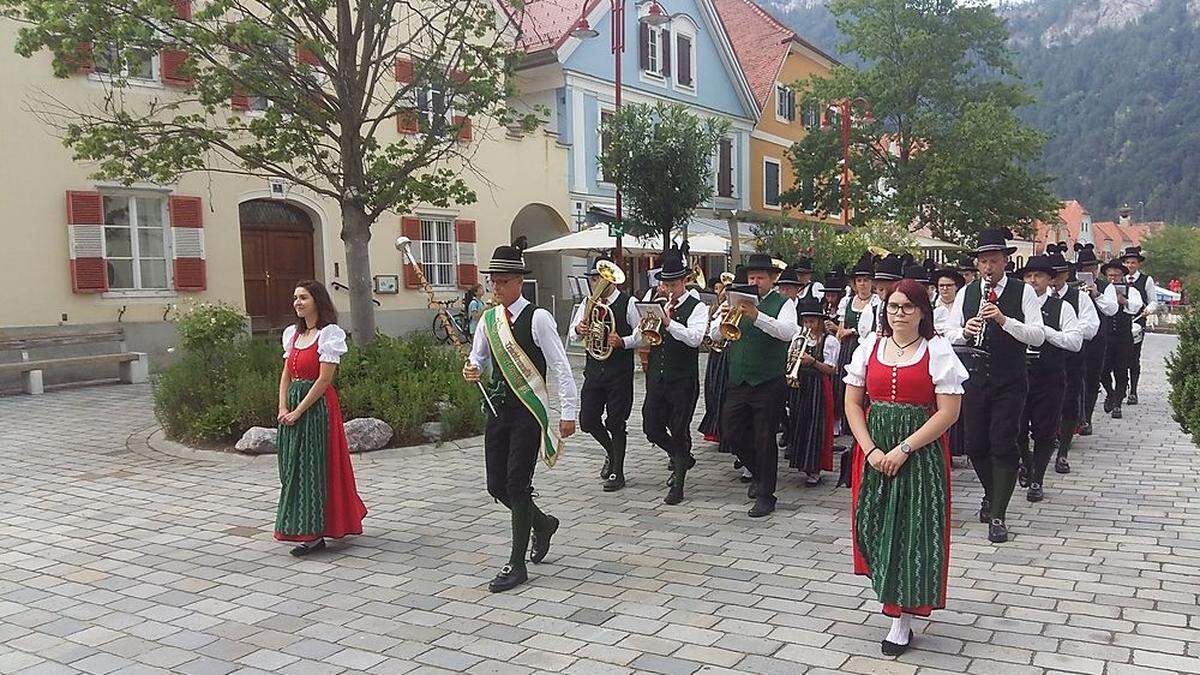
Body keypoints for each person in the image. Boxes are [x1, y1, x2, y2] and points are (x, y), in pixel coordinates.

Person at [845, 279, 967, 656]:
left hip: (919, 454)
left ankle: (901, 619)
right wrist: (870, 450)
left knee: (910, 532)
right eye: (893, 307)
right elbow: (852, 403)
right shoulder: (871, 346)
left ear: (922, 312)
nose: (899, 313)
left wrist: (903, 448)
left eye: (907, 307)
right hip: (873, 450)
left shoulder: (938, 350)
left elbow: (949, 411)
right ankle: (891, 598)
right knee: (874, 526)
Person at [464, 244, 579, 593]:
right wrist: (472, 369)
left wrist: (568, 412)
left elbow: (560, 365)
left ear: (518, 282)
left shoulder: (539, 318)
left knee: (516, 484)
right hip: (499, 411)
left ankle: (516, 564)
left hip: (528, 412)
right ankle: (542, 523)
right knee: (496, 485)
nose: (495, 288)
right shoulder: (488, 320)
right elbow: (479, 359)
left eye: (502, 282)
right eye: (492, 282)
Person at [945, 228, 1045, 544]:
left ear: (1005, 261)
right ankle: (992, 493)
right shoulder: (967, 293)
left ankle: (998, 514)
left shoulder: (1022, 291)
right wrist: (964, 330)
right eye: (983, 262)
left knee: (1003, 443)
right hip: (974, 380)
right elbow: (946, 333)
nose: (987, 267)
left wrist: (1004, 321)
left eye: (993, 260)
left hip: (1010, 380)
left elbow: (1038, 335)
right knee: (975, 445)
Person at [276, 281, 367, 556]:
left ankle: (314, 534)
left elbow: (324, 379)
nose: (297, 303)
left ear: (317, 301)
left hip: (317, 410)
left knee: (314, 469)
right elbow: (286, 374)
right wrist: (282, 406)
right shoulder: (293, 334)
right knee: (293, 467)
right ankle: (302, 525)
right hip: (293, 405)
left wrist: (299, 410)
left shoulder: (330, 334)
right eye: (295, 298)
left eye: (303, 297)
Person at [712, 253, 799, 517]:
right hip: (739, 379)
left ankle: (765, 495)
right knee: (732, 432)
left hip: (768, 381)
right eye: (751, 277)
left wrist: (757, 316)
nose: (755, 281)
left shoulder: (783, 303)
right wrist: (722, 317)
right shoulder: (735, 299)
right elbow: (715, 335)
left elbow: (788, 332)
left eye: (760, 277)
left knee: (764, 438)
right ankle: (760, 474)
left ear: (772, 279)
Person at [640, 249, 708, 504]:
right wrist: (638, 331)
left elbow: (695, 339)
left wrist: (669, 323)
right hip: (657, 377)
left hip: (683, 379)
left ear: (683, 282)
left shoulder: (697, 307)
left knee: (679, 430)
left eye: (673, 284)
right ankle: (683, 458)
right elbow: (642, 339)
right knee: (651, 427)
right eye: (665, 283)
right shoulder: (656, 304)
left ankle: (678, 485)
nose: (668, 289)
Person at [569, 256, 640, 491]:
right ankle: (611, 452)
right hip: (594, 370)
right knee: (587, 420)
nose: (594, 282)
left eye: (598, 278)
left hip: (619, 371)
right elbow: (572, 334)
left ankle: (617, 473)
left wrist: (623, 341)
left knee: (616, 421)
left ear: (611, 280)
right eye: (593, 278)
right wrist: (579, 329)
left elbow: (643, 333)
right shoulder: (587, 304)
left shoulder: (628, 303)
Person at [1015, 255, 1082, 503]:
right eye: (1029, 276)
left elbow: (1075, 341)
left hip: (1049, 376)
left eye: (1039, 276)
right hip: (1018, 375)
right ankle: (1027, 462)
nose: (1033, 281)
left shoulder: (1061, 307)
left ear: (1050, 280)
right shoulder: (1016, 304)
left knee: (1044, 431)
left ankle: (1037, 480)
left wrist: (1046, 332)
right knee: (1017, 428)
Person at [1047, 246, 1099, 473]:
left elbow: (1091, 327)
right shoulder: (1037, 298)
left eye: (1057, 275)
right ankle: (1047, 443)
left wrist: (1069, 329)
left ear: (1065, 275)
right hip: (1044, 359)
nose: (1053, 280)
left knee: (1069, 403)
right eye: (1050, 275)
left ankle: (1064, 451)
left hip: (1071, 358)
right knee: (1045, 405)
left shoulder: (1080, 298)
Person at [785, 297, 840, 486]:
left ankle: (815, 468)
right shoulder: (798, 338)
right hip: (800, 384)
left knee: (816, 426)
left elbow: (832, 369)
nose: (808, 325)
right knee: (800, 422)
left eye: (812, 321)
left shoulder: (829, 341)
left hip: (818, 385)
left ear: (819, 322)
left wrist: (813, 362)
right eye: (806, 321)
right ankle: (802, 462)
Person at [1074, 244, 1119, 436]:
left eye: (1093, 267)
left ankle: (1087, 418)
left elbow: (1112, 309)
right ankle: (1074, 418)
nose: (1090, 271)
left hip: (1097, 340)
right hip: (1074, 338)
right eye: (1086, 268)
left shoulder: (1105, 286)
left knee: (1092, 379)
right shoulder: (1071, 285)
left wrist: (1096, 294)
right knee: (1074, 379)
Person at [699, 266, 745, 448]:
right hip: (723, 354)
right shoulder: (723, 307)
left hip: (738, 357)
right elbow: (714, 334)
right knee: (717, 393)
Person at [1100, 258, 1143, 420]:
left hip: (1124, 336)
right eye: (1110, 275)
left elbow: (1137, 307)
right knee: (1103, 370)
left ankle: (1117, 404)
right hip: (1106, 336)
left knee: (1121, 370)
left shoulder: (1131, 291)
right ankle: (1110, 393)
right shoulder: (1102, 290)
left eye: (1117, 275)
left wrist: (1124, 301)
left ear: (1122, 276)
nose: (1113, 278)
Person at [1120, 246, 1157, 405]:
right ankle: (1121, 387)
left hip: (1138, 321)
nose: (1130, 265)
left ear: (1138, 264)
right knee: (1119, 357)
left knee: (1134, 357)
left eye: (1133, 262)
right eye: (1127, 262)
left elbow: (1153, 300)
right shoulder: (1120, 279)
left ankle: (1133, 390)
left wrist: (1149, 310)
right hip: (1121, 321)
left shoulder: (1146, 280)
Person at [858, 254, 904, 338]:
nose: (885, 294)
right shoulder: (878, 306)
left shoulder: (905, 307)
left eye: (890, 289)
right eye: (881, 289)